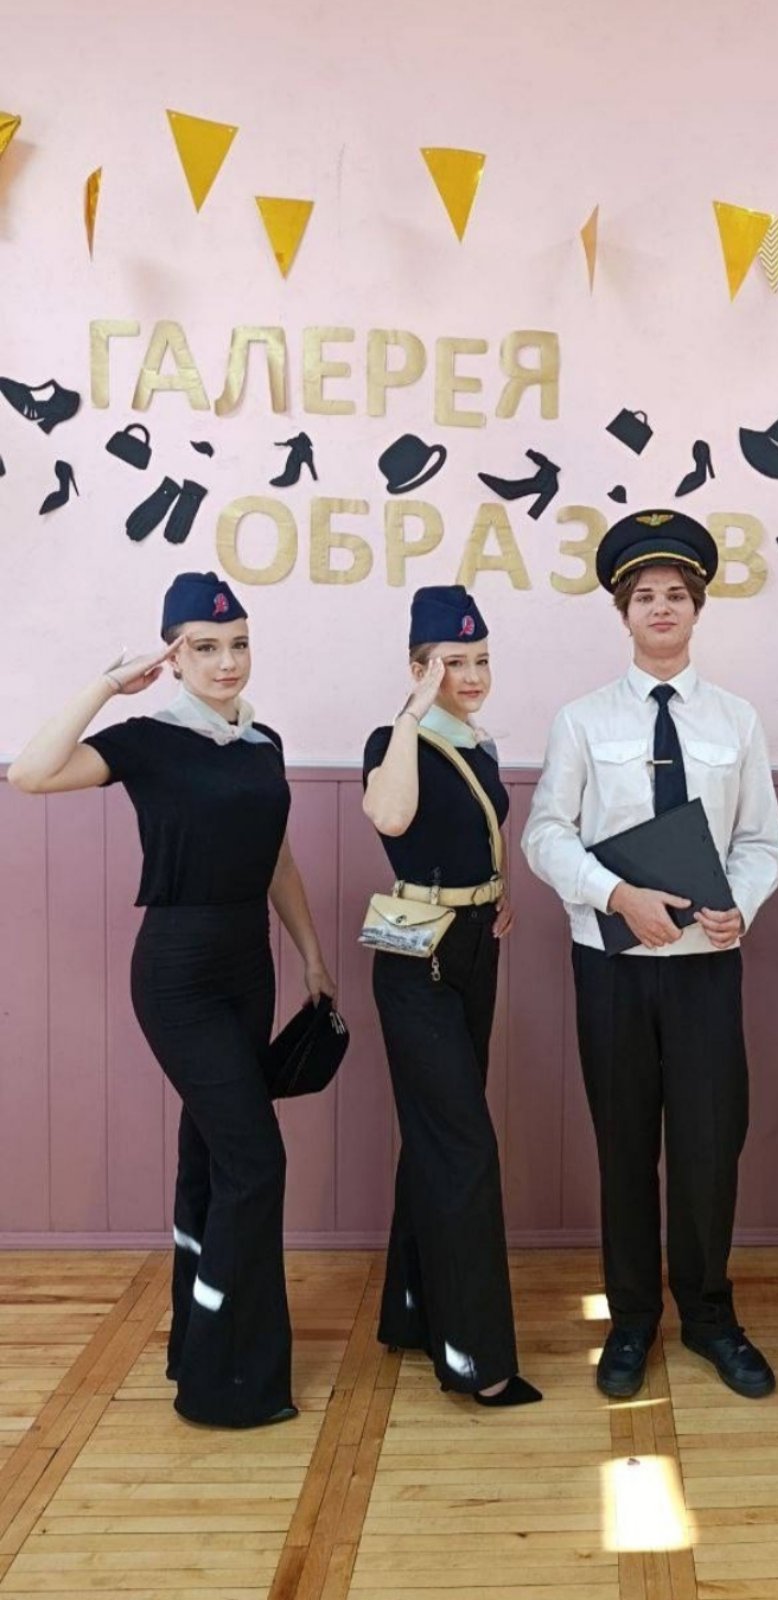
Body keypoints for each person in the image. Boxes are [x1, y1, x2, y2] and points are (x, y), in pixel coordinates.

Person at [6, 571, 335, 1428]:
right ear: (174, 657)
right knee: (255, 1162)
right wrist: (107, 685)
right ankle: (225, 1382)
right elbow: (30, 775)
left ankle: (195, 1341)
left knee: (210, 1157)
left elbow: (276, 857)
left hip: (250, 965)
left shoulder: (262, 743)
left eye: (238, 644)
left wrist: (310, 953)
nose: (227, 661)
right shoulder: (147, 739)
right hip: (178, 972)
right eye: (205, 647)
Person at [522, 510, 778, 1401]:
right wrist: (615, 895)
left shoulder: (736, 720)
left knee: (709, 1146)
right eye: (644, 596)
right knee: (625, 1145)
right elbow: (545, 834)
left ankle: (709, 1316)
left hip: (705, 966)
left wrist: (739, 905)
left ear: (697, 608)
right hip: (612, 966)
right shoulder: (581, 719)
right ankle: (631, 1317)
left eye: (676, 594)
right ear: (622, 612)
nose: (661, 608)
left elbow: (761, 840)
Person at [362, 585, 540, 1407]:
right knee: (463, 1144)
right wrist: (412, 714)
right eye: (451, 663)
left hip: (474, 943)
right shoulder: (395, 739)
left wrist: (497, 891)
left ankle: (410, 1310)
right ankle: (476, 1361)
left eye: (480, 660)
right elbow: (393, 820)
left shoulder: (477, 742)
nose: (470, 676)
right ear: (417, 667)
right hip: (417, 954)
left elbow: (474, 835)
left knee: (437, 1133)